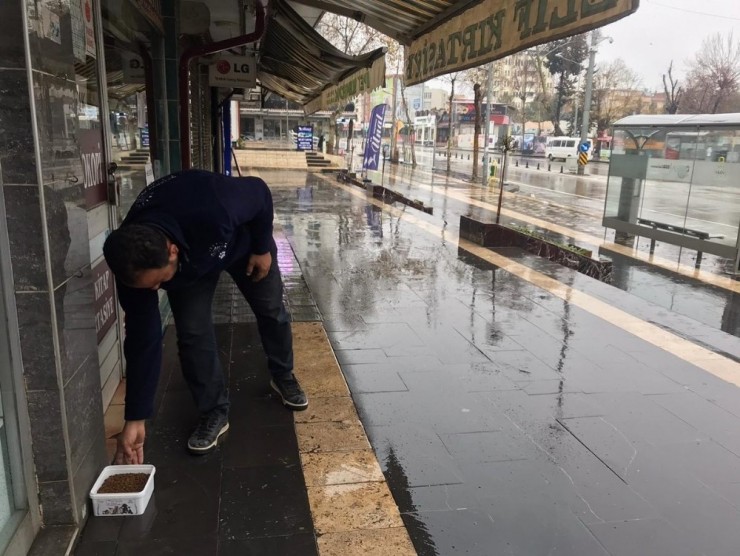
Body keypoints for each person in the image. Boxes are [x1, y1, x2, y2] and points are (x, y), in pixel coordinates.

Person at [103, 169, 308, 464]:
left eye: (160, 282)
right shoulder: (132, 267)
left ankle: (283, 375)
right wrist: (136, 417)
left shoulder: (214, 204)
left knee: (272, 311)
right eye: (152, 288)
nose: (158, 290)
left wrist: (263, 246)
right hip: (191, 273)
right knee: (192, 334)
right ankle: (213, 411)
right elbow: (142, 341)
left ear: (171, 251)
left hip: (243, 246)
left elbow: (260, 192)